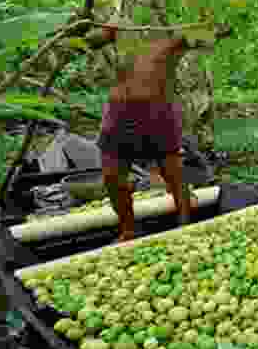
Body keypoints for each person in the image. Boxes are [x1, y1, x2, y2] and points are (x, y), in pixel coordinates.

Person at [83, 25, 215, 242]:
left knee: (173, 175)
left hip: (159, 115)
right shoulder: (120, 28)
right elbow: (91, 39)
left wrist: (220, 22)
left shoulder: (174, 32)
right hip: (120, 114)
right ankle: (128, 230)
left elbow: (209, 35)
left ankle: (184, 227)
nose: (145, 0)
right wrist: (81, 25)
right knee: (111, 176)